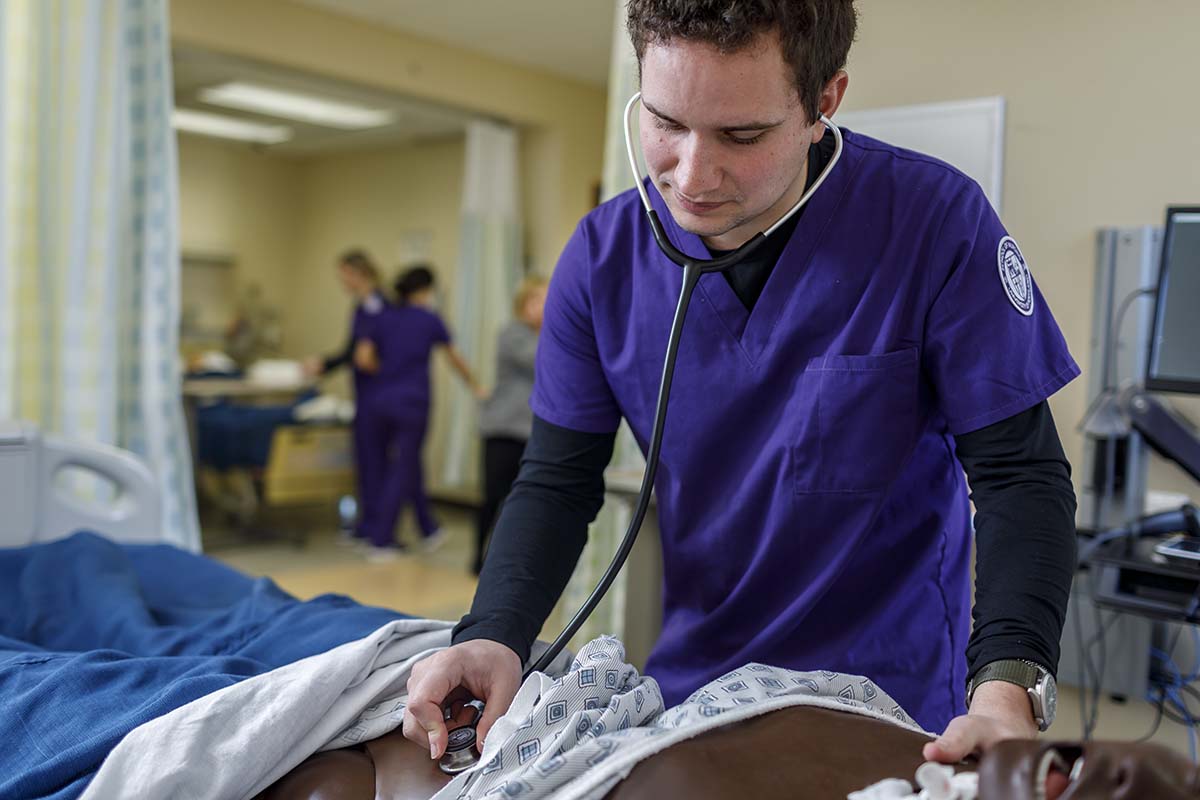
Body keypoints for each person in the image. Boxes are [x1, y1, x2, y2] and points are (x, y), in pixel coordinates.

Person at [403, 0, 1079, 768]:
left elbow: (1021, 480)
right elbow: (557, 481)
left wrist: (1005, 692)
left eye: (742, 135)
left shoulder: (934, 224)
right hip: (693, 688)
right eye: (665, 122)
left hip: (890, 694)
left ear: (824, 100)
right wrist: (495, 631)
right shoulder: (601, 259)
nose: (691, 176)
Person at [353, 265, 486, 560]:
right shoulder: (429, 320)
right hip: (412, 403)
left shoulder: (384, 317)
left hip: (379, 400)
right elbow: (455, 359)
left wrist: (387, 374)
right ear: (426, 290)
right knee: (403, 467)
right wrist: (477, 386)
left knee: (392, 466)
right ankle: (381, 539)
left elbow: (363, 359)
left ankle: (425, 529)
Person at [304, 249, 388, 546]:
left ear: (358, 272)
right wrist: (323, 365)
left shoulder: (380, 305)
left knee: (378, 460)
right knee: (365, 459)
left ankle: (380, 525)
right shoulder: (361, 307)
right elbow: (351, 350)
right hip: (364, 393)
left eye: (344, 275)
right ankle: (367, 523)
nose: (342, 281)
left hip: (380, 393)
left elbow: (375, 353)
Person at [473, 277, 549, 575]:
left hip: (532, 431)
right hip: (503, 429)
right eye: (536, 299)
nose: (542, 306)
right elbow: (540, 359)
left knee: (522, 500)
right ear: (523, 304)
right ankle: (477, 556)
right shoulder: (512, 334)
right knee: (493, 497)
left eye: (546, 299)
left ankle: (506, 561)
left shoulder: (548, 334)